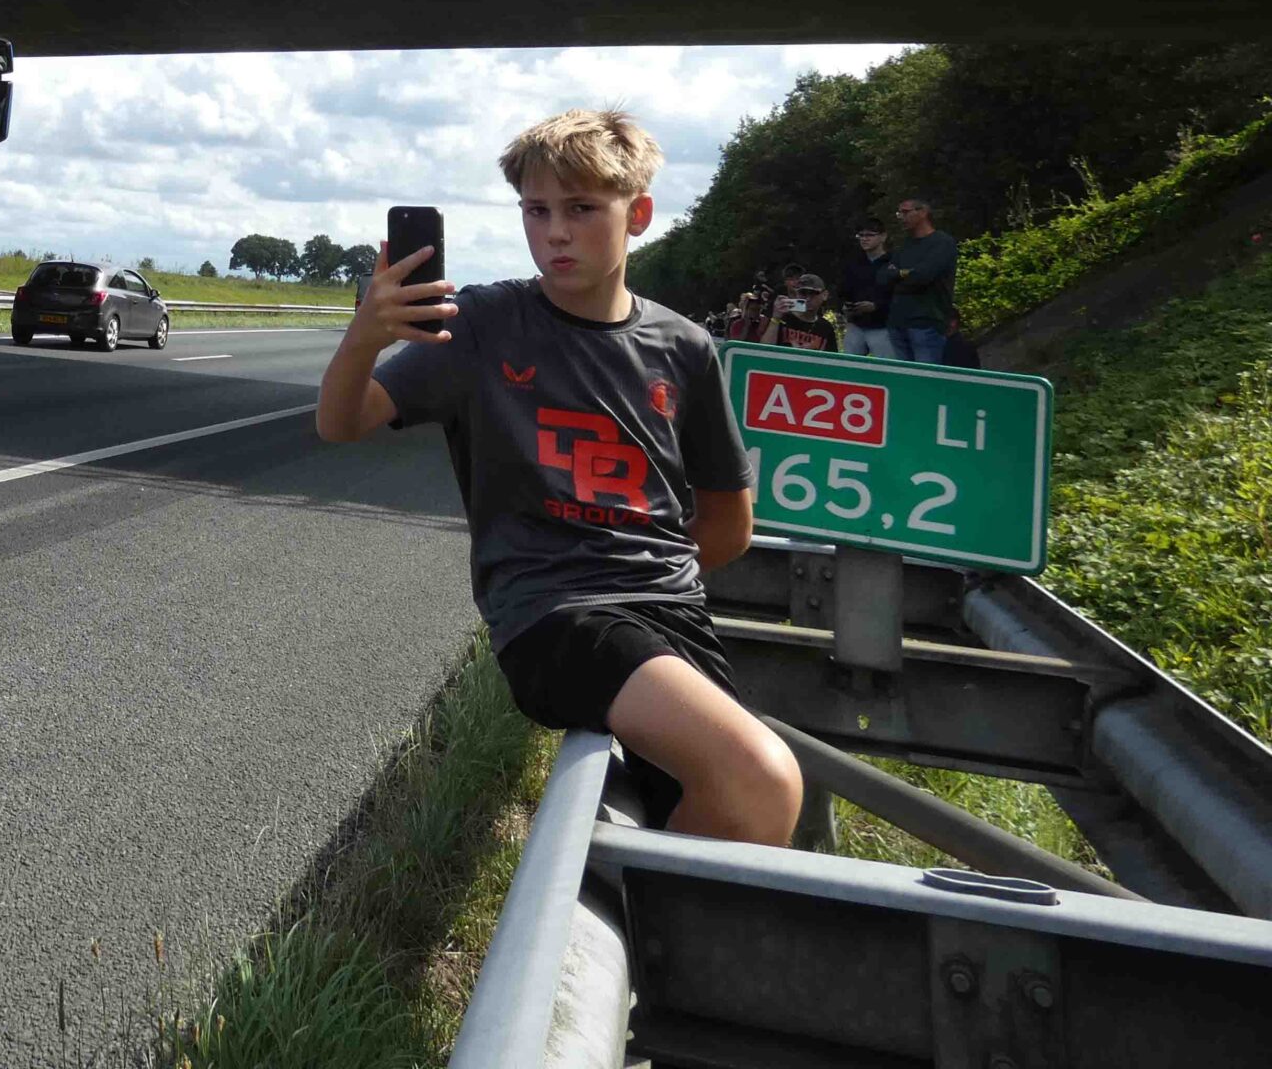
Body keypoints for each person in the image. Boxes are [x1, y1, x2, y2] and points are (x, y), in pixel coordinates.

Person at [316, 109, 800, 845]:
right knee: (761, 774)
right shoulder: (481, 324)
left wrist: (652, 566)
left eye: (580, 209)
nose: (555, 233)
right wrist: (365, 335)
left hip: (670, 610)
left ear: (637, 214)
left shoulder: (686, 347)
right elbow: (341, 422)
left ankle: (658, 943)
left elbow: (730, 526)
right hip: (553, 613)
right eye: (536, 212)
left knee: (737, 812)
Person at [881, 194, 958, 364]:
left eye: (905, 212)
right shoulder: (904, 245)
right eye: (899, 214)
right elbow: (885, 277)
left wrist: (899, 274)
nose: (901, 218)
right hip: (897, 321)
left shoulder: (942, 243)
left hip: (927, 321)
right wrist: (906, 273)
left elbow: (924, 276)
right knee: (903, 379)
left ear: (922, 212)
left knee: (925, 378)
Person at [836, 219, 898, 357]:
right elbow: (841, 292)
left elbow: (900, 296)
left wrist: (876, 306)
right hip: (856, 325)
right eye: (861, 235)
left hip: (884, 327)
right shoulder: (853, 263)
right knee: (849, 367)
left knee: (887, 369)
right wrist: (844, 307)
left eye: (870, 235)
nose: (864, 239)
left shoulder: (894, 263)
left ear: (883, 236)